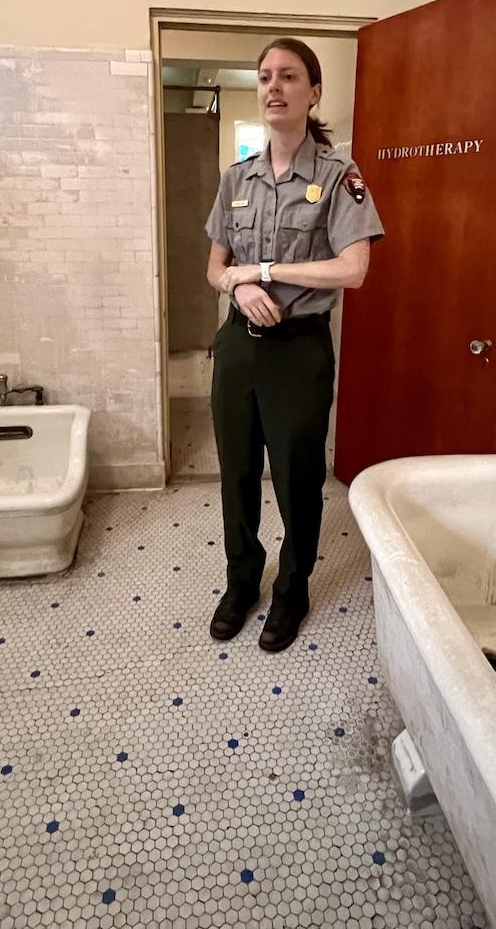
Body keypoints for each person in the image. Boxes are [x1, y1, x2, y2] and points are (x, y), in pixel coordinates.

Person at [202, 38, 384, 652]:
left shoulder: (339, 178)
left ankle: (293, 589)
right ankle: (242, 581)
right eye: (265, 77)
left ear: (314, 91)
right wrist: (235, 282)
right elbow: (214, 268)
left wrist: (267, 271)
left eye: (288, 76)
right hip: (238, 348)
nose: (274, 86)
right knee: (237, 474)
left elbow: (353, 270)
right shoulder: (237, 179)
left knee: (297, 479)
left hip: (298, 352)